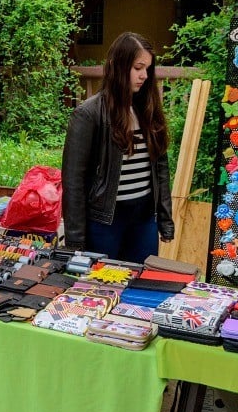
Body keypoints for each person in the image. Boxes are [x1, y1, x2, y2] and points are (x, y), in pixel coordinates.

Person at [61, 31, 174, 263]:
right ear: (118, 66)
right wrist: (75, 242)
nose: (144, 75)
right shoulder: (88, 114)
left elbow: (160, 169)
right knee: (100, 289)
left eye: (148, 69)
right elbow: (73, 182)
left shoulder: (148, 109)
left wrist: (164, 220)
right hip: (104, 222)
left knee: (139, 286)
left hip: (144, 219)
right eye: (137, 68)